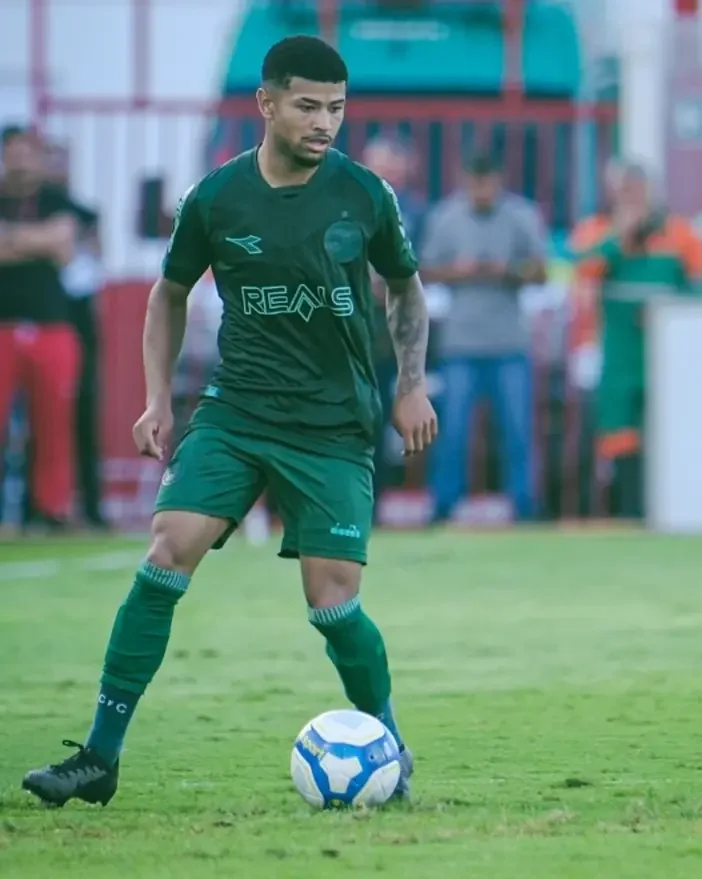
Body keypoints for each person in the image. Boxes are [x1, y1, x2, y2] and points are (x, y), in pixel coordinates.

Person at [21, 35, 437, 808]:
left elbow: (406, 290)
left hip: (333, 425)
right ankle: (100, 757)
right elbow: (166, 294)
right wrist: (156, 398)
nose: (324, 123)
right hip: (237, 411)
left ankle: (386, 741)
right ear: (267, 104)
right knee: (166, 549)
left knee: (332, 600)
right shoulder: (215, 199)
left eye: (337, 109)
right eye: (308, 106)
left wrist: (410, 384)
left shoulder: (364, 194)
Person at [573, 160, 702, 519]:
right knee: (619, 432)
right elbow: (585, 269)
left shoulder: (680, 233)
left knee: (669, 429)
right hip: (619, 352)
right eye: (625, 191)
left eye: (639, 190)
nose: (633, 198)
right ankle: (628, 513)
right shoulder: (598, 231)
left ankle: (675, 511)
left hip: (666, 353)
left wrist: (673, 311)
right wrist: (619, 238)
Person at [421, 152, 547, 523]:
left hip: (510, 342)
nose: (481, 192)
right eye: (475, 184)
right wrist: (461, 272)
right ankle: (444, 506)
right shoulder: (444, 217)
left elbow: (541, 273)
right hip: (460, 344)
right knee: (453, 432)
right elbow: (424, 271)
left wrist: (506, 271)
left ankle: (525, 506)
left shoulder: (522, 216)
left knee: (518, 432)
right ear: (464, 180)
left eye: (487, 184)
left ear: (499, 180)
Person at [0, 125, 80, 531]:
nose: (20, 159)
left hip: (51, 327)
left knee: (53, 424)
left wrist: (11, 239)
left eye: (26, 151)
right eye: (12, 151)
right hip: (3, 327)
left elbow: (63, 245)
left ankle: (51, 510)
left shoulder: (56, 198)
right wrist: (38, 241)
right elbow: (50, 242)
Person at [360, 137, 427, 518]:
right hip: (349, 333)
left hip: (389, 339)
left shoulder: (416, 213)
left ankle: (373, 502)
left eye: (388, 165)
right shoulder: (345, 207)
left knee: (379, 419)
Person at [45, 137, 109, 529]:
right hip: (46, 319)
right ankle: (43, 509)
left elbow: (92, 265)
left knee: (85, 413)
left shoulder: (83, 213)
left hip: (79, 325)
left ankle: (91, 506)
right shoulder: (28, 209)